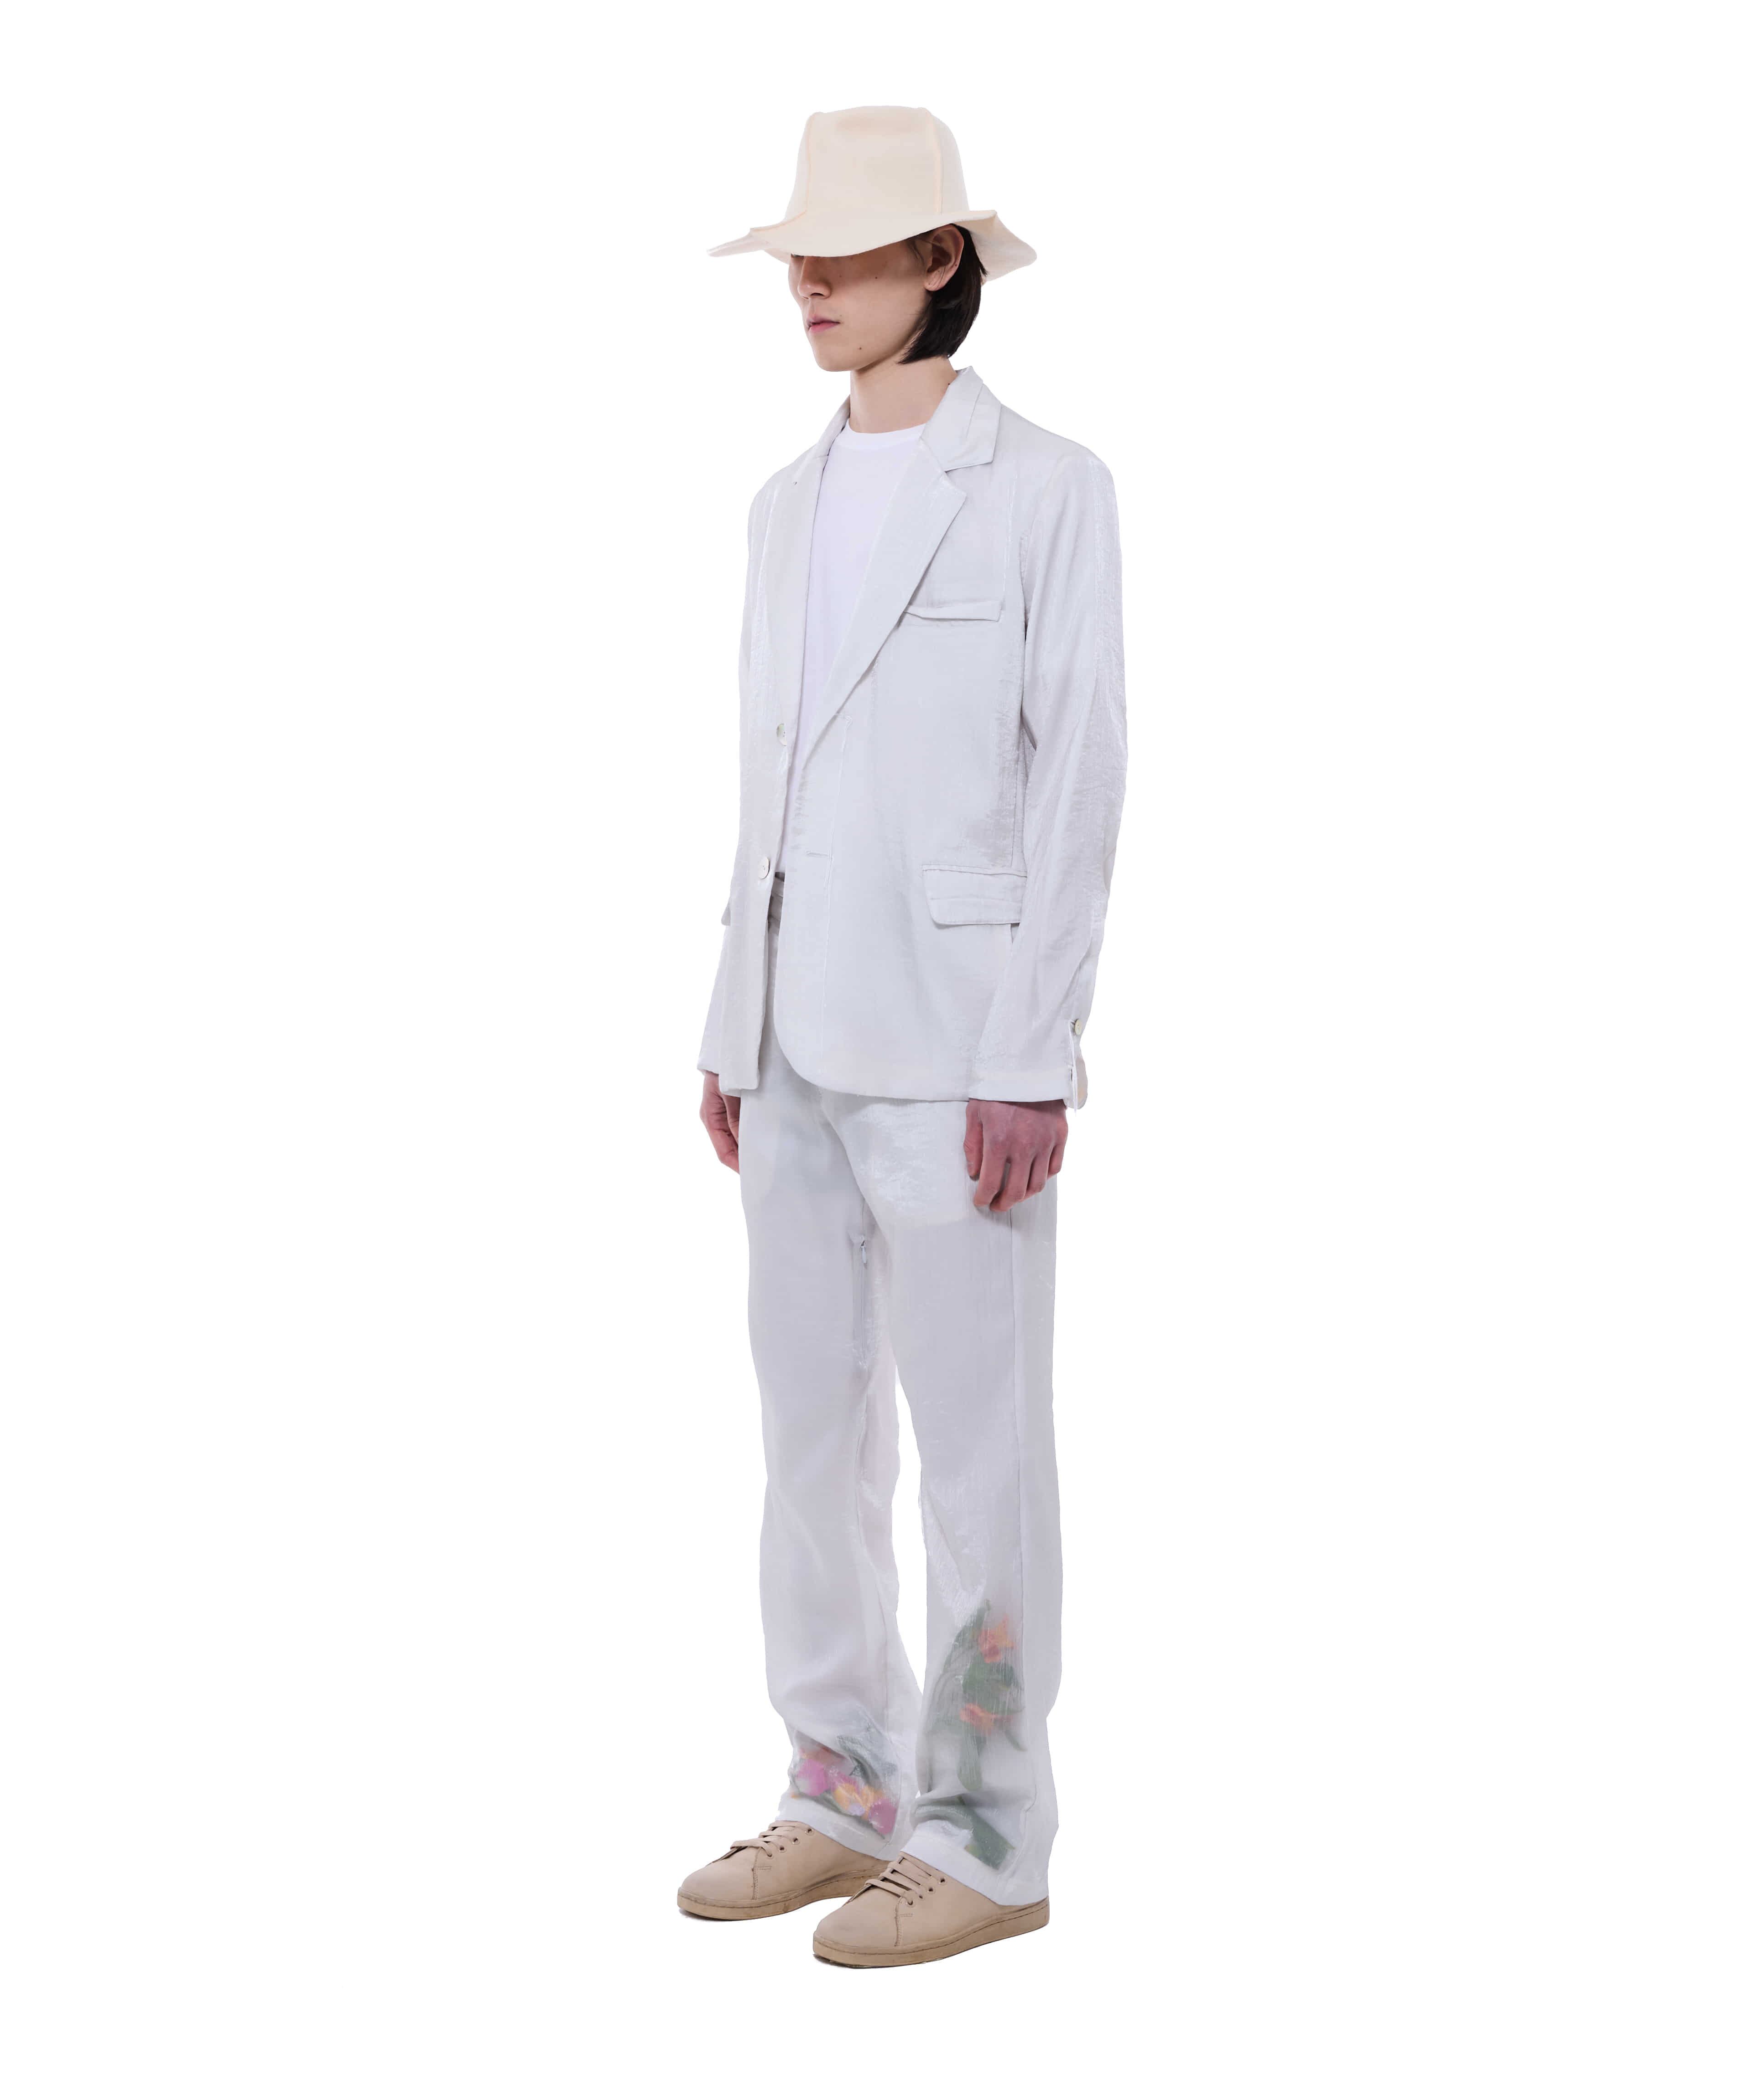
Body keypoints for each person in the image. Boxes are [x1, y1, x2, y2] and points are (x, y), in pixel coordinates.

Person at [681, 105, 1126, 1968]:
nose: (807, 275)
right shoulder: (781, 507)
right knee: (808, 1441)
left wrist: (1032, 1051)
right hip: (788, 1038)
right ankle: (838, 1787)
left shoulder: (1045, 489)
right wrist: (729, 1018)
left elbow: (1078, 769)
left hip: (955, 1050)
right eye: (799, 247)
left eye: (850, 245)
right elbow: (769, 776)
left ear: (941, 260)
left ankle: (986, 1834)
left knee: (976, 1452)